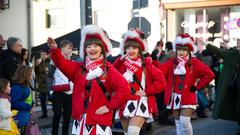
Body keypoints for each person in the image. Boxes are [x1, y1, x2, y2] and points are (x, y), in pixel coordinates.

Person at [47, 25, 132, 135]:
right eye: (89, 47)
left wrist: (110, 106)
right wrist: (54, 50)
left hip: (99, 121)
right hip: (81, 120)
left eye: (95, 46)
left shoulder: (108, 69)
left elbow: (125, 89)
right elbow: (62, 64)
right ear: (85, 50)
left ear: (102, 48)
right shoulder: (79, 68)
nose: (92, 49)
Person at [153, 33, 214, 135]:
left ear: (189, 50)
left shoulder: (194, 62)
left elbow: (209, 75)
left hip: (188, 96)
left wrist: (197, 87)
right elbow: (159, 71)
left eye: (184, 50)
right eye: (179, 50)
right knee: (178, 123)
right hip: (175, 96)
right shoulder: (172, 62)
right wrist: (155, 60)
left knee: (184, 122)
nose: (181, 52)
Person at [113, 28, 166, 135]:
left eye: (134, 48)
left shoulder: (146, 64)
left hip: (141, 101)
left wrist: (147, 91)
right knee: (127, 133)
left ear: (139, 50)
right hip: (124, 102)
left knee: (133, 132)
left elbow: (162, 82)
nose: (130, 50)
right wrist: (119, 61)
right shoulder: (121, 64)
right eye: (128, 48)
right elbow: (110, 76)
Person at [208, 39, 240, 124]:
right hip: (235, 86)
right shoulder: (234, 54)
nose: (238, 43)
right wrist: (209, 46)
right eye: (238, 41)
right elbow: (220, 52)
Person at [50, 40, 74, 135]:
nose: (70, 50)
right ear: (62, 48)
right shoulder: (54, 60)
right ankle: (54, 133)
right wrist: (52, 89)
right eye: (68, 48)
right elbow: (49, 75)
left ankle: (65, 133)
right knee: (57, 114)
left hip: (70, 92)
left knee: (67, 116)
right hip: (58, 92)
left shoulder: (72, 61)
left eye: (71, 48)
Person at [10, 65, 34, 135]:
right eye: (31, 74)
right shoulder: (17, 87)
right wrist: (28, 106)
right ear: (26, 75)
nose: (32, 76)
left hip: (24, 116)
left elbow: (25, 97)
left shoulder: (24, 84)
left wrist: (32, 102)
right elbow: (14, 102)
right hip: (20, 118)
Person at [35, 50, 51, 119]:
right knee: (42, 100)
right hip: (42, 84)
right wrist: (36, 65)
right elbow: (37, 72)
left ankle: (58, 111)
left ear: (47, 55)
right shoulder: (40, 63)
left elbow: (48, 72)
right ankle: (44, 114)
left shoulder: (49, 62)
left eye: (44, 54)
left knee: (52, 98)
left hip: (49, 84)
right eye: (41, 54)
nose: (42, 56)